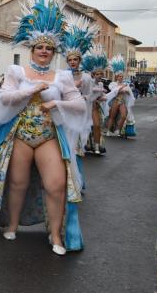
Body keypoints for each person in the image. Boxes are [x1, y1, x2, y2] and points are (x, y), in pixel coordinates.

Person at [0, 0, 86, 255]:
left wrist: (56, 102)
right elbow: (5, 98)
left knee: (56, 184)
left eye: (48, 48)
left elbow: (79, 104)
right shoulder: (17, 71)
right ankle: (11, 224)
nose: (44, 51)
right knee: (17, 183)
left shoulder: (63, 77)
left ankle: (56, 235)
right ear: (31, 49)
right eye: (39, 47)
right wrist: (30, 90)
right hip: (20, 134)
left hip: (48, 136)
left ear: (53, 51)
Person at [62, 14, 99, 188]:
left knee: (76, 150)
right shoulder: (62, 76)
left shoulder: (86, 77)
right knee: (62, 148)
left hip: (79, 116)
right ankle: (64, 181)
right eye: (69, 60)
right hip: (64, 116)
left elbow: (90, 97)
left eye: (75, 59)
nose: (72, 62)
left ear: (79, 60)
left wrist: (78, 92)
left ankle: (77, 183)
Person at [81, 45, 109, 155]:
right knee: (85, 125)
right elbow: (86, 92)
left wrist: (102, 97)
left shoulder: (102, 83)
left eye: (101, 74)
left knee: (97, 125)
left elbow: (100, 96)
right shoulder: (89, 81)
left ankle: (97, 146)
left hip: (94, 106)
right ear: (93, 74)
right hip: (85, 105)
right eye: (97, 74)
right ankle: (85, 144)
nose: (100, 76)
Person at [106, 55, 136, 138]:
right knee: (112, 116)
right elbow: (114, 91)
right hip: (115, 101)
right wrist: (122, 88)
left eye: (122, 76)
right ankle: (108, 131)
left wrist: (127, 91)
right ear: (116, 77)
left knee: (123, 116)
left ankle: (118, 130)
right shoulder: (113, 84)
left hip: (122, 101)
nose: (121, 78)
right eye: (119, 76)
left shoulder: (126, 84)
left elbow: (129, 93)